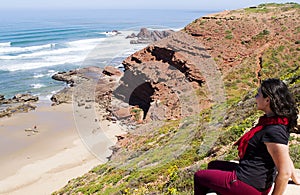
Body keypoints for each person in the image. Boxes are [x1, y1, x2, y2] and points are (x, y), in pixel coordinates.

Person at [194, 78, 300, 195]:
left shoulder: (274, 130)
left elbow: (284, 172)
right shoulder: (274, 121)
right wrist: (295, 178)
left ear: (267, 100)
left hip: (249, 185)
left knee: (199, 176)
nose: (255, 97)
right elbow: (284, 154)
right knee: (213, 165)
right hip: (252, 177)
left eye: (258, 94)